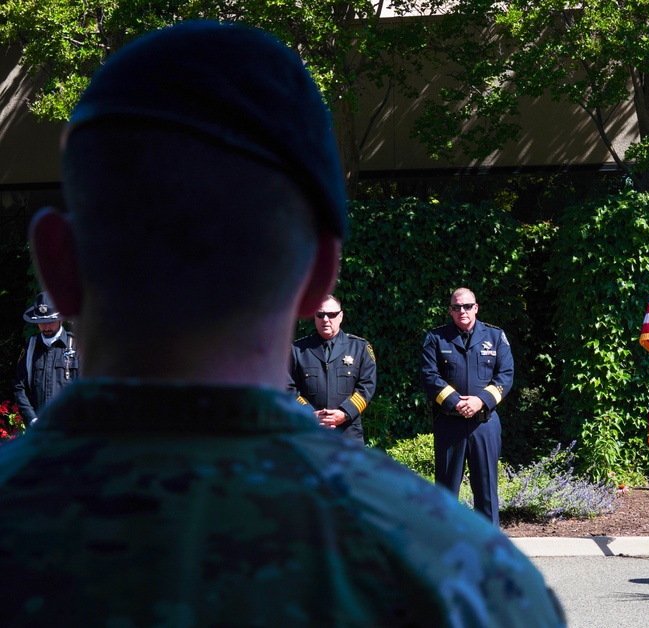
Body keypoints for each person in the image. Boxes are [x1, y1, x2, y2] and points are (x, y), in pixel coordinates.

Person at [0, 21, 563, 626]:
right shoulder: (467, 580)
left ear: (55, 266)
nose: (463, 314)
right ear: (321, 272)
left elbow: (392, 386)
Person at [420, 288, 513, 526]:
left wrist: (480, 401)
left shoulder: (495, 336)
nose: (462, 311)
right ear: (450, 310)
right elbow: (429, 376)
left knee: (487, 490)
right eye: (456, 307)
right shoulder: (436, 338)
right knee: (446, 489)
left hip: (485, 423)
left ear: (476, 307)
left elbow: (505, 376)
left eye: (467, 306)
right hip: (449, 422)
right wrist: (456, 402)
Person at [288, 295, 376, 443]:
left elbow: (366, 386)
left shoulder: (359, 348)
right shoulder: (298, 350)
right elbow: (288, 387)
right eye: (320, 315)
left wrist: (344, 413)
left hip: (348, 434)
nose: (326, 319)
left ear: (341, 316)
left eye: (332, 314)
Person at [14, 292, 79, 426]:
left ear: (60, 318)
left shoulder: (77, 346)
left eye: (50, 321)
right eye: (41, 322)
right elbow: (20, 388)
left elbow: (87, 388)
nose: (46, 327)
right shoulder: (30, 349)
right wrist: (32, 419)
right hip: (40, 430)